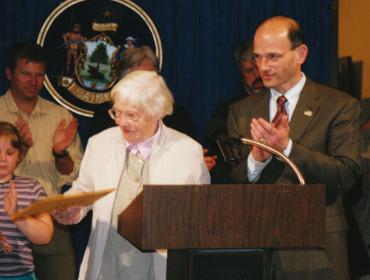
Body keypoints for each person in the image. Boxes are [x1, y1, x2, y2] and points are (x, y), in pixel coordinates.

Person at [227, 16, 360, 279]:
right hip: (254, 250)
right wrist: (257, 160)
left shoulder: (338, 106)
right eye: (257, 57)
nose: (262, 66)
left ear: (300, 54)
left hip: (315, 249)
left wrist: (287, 147)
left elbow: (345, 175)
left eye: (273, 56)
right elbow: (232, 183)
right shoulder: (240, 111)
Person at [53, 70, 210, 280]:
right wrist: (72, 208)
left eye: (132, 115)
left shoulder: (188, 151)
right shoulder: (100, 143)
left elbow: (199, 215)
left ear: (158, 111)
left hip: (159, 269)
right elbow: (85, 190)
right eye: (117, 112)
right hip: (106, 267)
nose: (121, 122)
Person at [0, 42, 83, 280]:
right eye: (26, 73)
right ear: (9, 73)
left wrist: (59, 153)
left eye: (39, 75)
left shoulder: (60, 117)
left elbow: (76, 175)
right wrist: (21, 149)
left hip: (49, 222)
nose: (33, 81)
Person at [89, 46, 216, 170]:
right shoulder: (104, 120)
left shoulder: (177, 115)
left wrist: (194, 166)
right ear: (123, 81)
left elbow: (190, 162)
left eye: (152, 77)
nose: (148, 84)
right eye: (139, 78)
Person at [0, 121, 54, 280]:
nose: (2, 158)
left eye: (9, 153)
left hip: (22, 275)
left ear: (19, 156)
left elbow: (45, 236)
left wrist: (17, 215)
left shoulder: (32, 187)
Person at [207, 40, 266, 183]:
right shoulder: (226, 111)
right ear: (241, 75)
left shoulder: (280, 105)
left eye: (258, 68)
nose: (257, 75)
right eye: (249, 70)